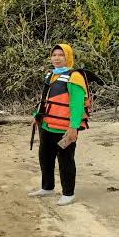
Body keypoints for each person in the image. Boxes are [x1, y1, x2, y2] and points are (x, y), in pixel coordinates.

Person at [29, 44, 90, 206]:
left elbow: (77, 105)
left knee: (65, 159)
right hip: (46, 124)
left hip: (64, 127)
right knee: (45, 157)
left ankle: (68, 193)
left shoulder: (75, 76)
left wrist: (73, 127)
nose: (56, 58)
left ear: (68, 57)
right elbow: (45, 98)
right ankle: (47, 187)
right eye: (54, 55)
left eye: (61, 55)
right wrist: (37, 116)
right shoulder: (51, 75)